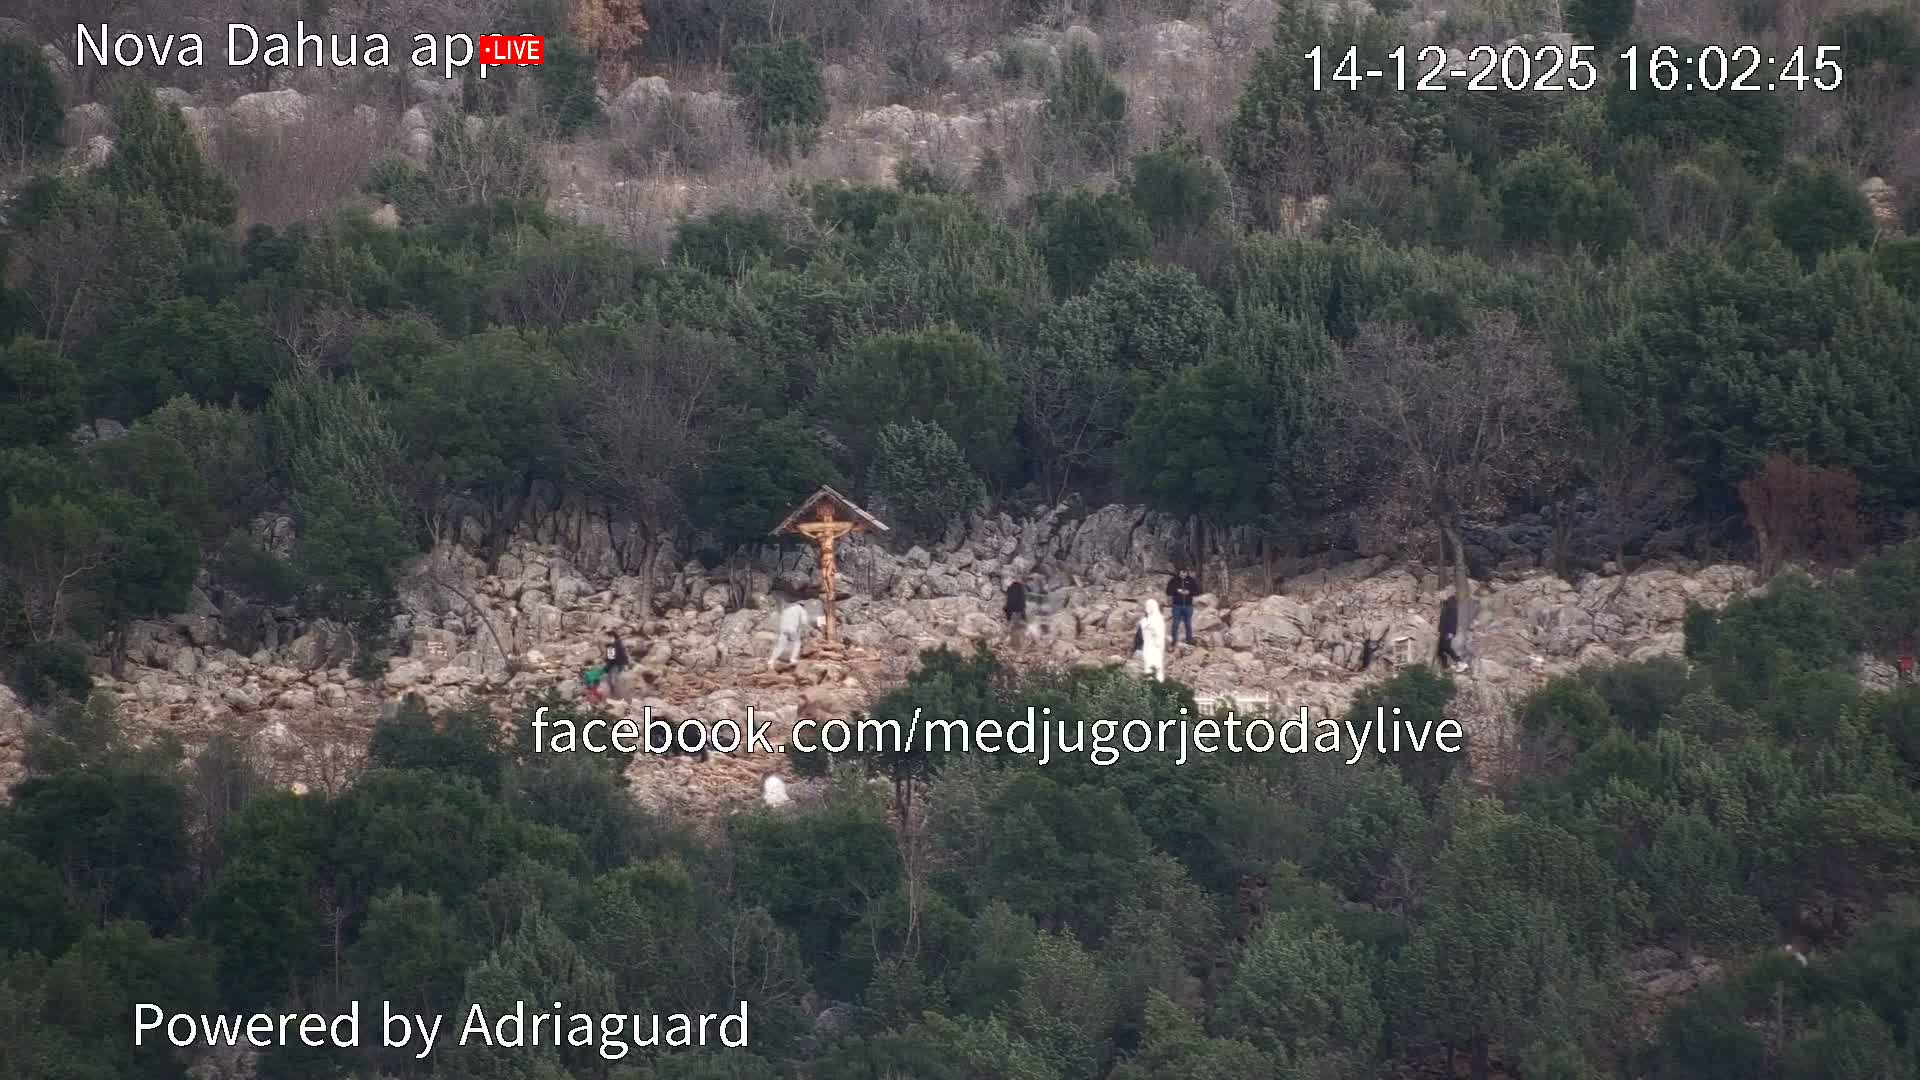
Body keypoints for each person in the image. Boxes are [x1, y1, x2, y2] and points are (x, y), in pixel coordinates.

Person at [769, 602, 815, 667]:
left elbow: (782, 618)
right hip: (792, 629)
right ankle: (793, 659)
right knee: (797, 643)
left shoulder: (788, 608)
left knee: (780, 646)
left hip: (783, 628)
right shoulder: (801, 610)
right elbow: (804, 622)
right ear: (803, 605)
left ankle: (771, 660)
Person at [1165, 564, 1198, 647]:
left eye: (1185, 573)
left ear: (1187, 573)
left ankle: (1189, 640)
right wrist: (1177, 591)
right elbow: (1168, 591)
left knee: (1188, 624)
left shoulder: (1191, 580)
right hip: (1177, 605)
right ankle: (1174, 641)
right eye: (1182, 573)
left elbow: (1196, 591)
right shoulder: (1173, 580)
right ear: (1179, 573)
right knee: (1175, 623)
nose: (1183, 575)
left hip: (1188, 606)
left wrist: (1189, 592)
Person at [1138, 600, 1167, 682]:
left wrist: (1149, 627)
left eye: (1149, 606)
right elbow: (1142, 633)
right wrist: (1144, 625)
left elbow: (1159, 632)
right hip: (1147, 644)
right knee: (1148, 663)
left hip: (1155, 646)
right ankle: (1149, 681)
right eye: (1146, 606)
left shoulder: (1158, 618)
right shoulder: (1147, 619)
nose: (1147, 608)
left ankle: (1157, 681)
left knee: (1155, 663)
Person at [1004, 575, 1028, 649]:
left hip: (1013, 611)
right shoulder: (1021, 587)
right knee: (1018, 628)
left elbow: (1009, 601)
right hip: (1019, 611)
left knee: (1014, 629)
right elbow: (1022, 601)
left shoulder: (1010, 588)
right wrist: (1024, 616)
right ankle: (1019, 646)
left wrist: (1008, 615)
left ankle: (1014, 645)